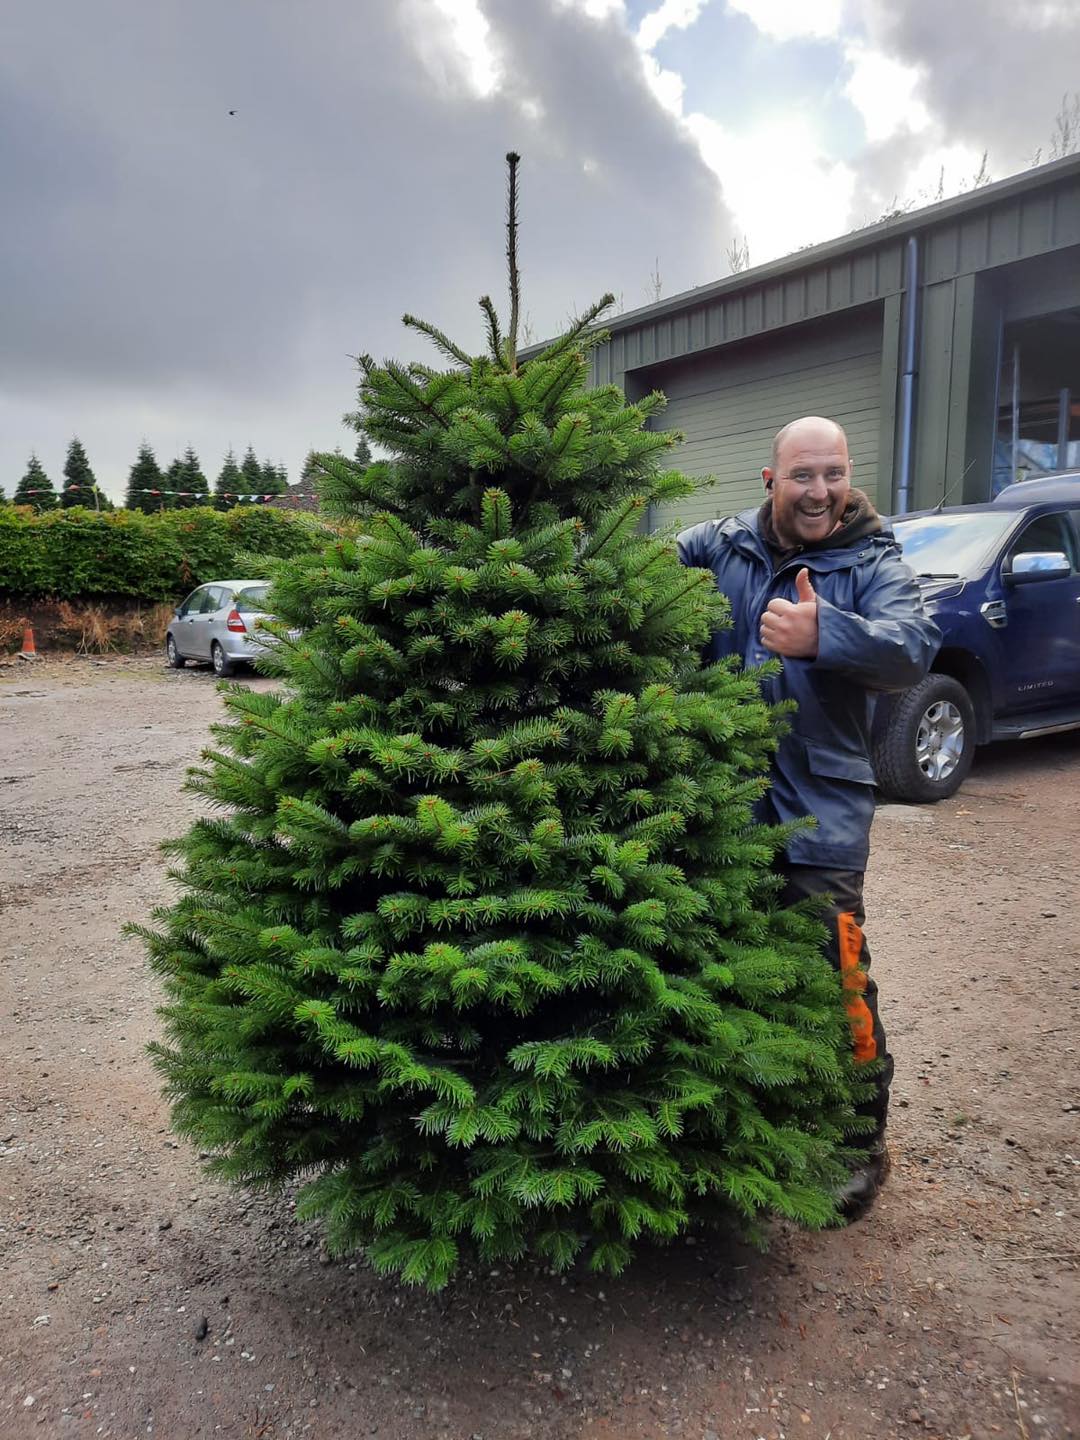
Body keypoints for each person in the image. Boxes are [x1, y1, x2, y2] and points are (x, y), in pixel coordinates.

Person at [677, 415, 941, 1219]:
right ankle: (743, 1136)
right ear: (771, 480)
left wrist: (825, 632)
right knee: (728, 974)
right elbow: (638, 570)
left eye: (833, 473)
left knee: (838, 978)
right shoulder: (718, 548)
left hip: (819, 813)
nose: (820, 491)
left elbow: (912, 646)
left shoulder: (871, 561)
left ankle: (861, 1143)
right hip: (720, 808)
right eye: (802, 475)